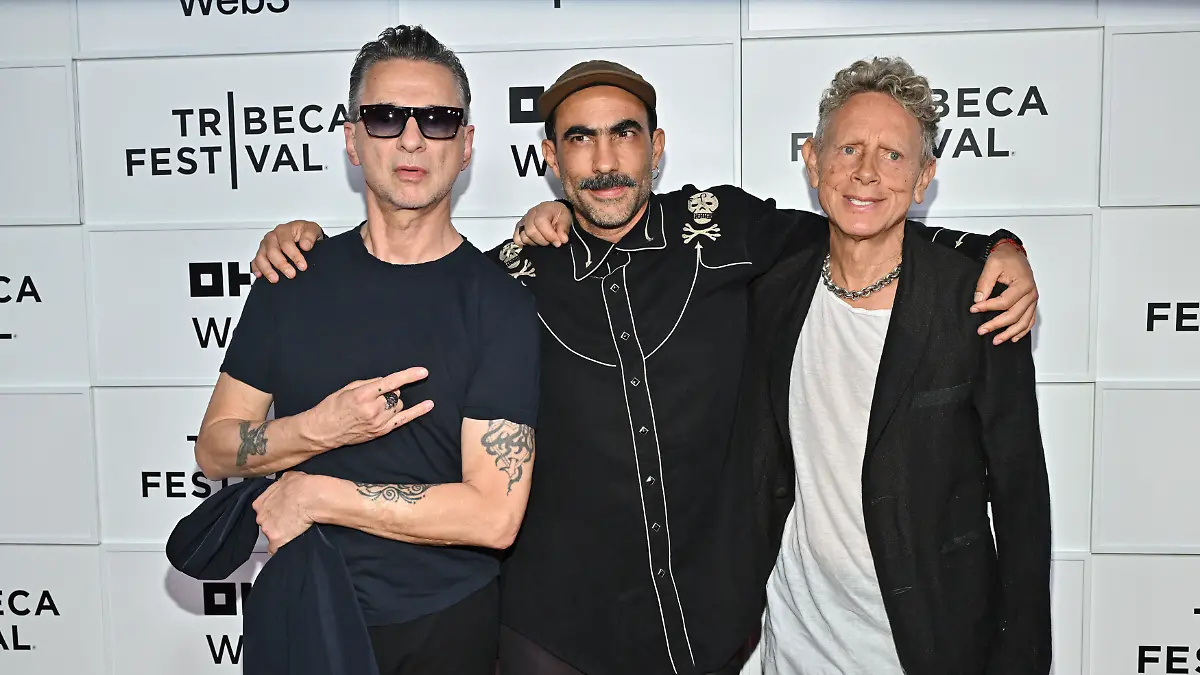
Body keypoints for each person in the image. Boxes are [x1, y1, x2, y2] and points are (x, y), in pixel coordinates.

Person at [248, 58, 1041, 675]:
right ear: (551, 157)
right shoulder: (513, 275)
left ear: (656, 147)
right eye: (580, 138)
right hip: (553, 631)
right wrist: (310, 253)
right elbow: (407, 299)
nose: (604, 159)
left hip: (708, 627)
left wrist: (991, 248)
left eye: (624, 132)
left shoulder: (723, 229)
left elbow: (858, 225)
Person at [192, 25, 540, 675]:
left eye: (437, 120)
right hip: (305, 606)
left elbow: (495, 515)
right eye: (385, 117)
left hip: (444, 623)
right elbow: (214, 444)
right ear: (352, 140)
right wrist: (318, 428)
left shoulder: (500, 304)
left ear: (465, 146)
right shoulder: (290, 278)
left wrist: (316, 493)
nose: (411, 138)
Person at [735, 56, 1052, 675]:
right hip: (795, 637)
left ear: (925, 176)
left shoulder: (981, 302)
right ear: (813, 159)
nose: (866, 173)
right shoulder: (773, 290)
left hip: (929, 643)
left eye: (894, 156)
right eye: (849, 148)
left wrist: (1022, 659)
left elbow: (1021, 501)